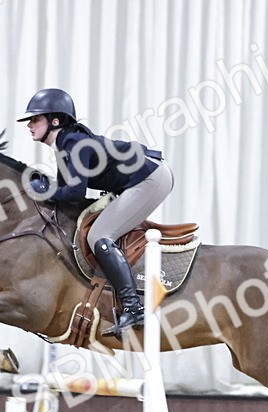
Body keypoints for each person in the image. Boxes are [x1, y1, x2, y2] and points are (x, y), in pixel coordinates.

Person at [18, 88, 173, 336]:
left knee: (99, 237)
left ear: (55, 120)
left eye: (35, 119)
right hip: (142, 177)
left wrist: (43, 191)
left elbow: (74, 194)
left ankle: (134, 309)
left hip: (150, 178)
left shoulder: (75, 144)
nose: (29, 125)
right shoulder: (64, 145)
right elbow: (66, 192)